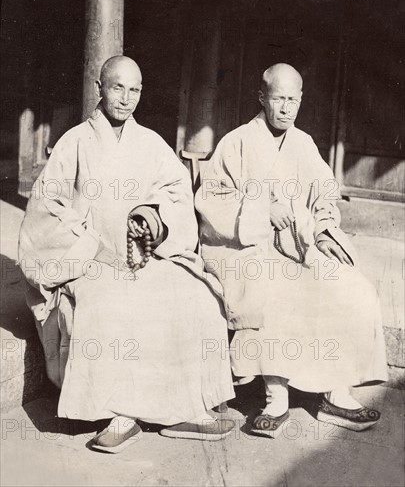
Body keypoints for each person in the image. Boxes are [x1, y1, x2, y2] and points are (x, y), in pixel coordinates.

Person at [18, 56, 235, 453]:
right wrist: (92, 249)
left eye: (134, 90)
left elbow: (176, 193)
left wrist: (154, 219)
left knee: (194, 295)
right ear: (99, 88)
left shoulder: (150, 143)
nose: (126, 98)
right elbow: (46, 211)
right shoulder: (75, 142)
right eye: (117, 87)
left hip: (144, 257)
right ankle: (122, 415)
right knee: (113, 303)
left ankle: (183, 408)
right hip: (88, 262)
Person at [195, 63, 387, 438]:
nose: (286, 108)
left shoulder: (303, 144)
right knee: (278, 289)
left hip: (298, 245)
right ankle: (275, 397)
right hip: (243, 248)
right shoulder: (235, 143)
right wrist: (262, 211)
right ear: (262, 98)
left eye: (293, 100)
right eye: (279, 98)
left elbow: (325, 193)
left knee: (349, 284)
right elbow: (211, 202)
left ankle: (336, 393)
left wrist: (327, 230)